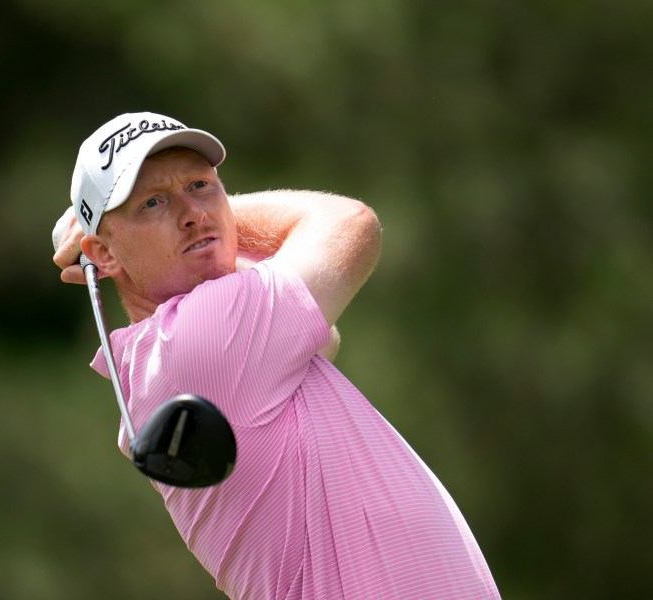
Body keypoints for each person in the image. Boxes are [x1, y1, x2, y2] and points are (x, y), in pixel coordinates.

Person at [52, 112, 500, 599]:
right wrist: (216, 212)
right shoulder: (199, 342)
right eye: (153, 202)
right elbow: (349, 225)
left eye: (202, 184)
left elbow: (323, 334)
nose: (192, 212)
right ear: (103, 256)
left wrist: (156, 224)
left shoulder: (187, 350)